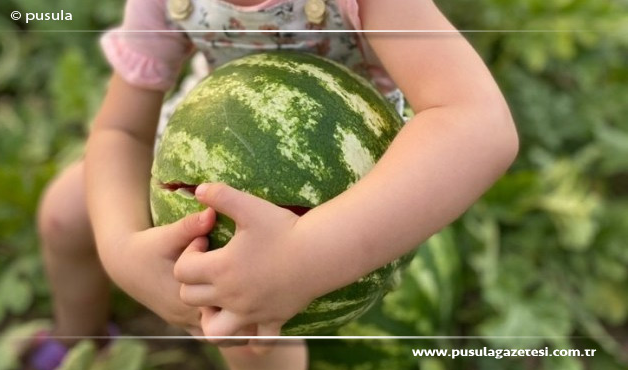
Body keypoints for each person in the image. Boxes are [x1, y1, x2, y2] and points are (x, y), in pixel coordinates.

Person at [29, 0, 519, 369]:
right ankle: (82, 338)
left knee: (251, 339)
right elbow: (122, 131)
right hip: (205, 141)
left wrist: (304, 257)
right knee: (64, 214)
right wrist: (121, 250)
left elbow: (478, 122)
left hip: (334, 186)